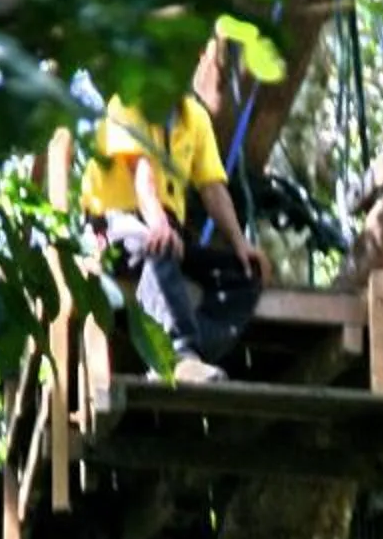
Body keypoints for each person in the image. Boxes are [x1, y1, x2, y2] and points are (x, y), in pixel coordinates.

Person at [79, 85, 267, 384]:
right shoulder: (128, 102)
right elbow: (141, 174)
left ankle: (184, 349)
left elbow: (212, 188)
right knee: (159, 243)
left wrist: (240, 242)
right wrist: (157, 224)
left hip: (165, 229)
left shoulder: (195, 118)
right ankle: (180, 355)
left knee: (245, 273)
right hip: (114, 222)